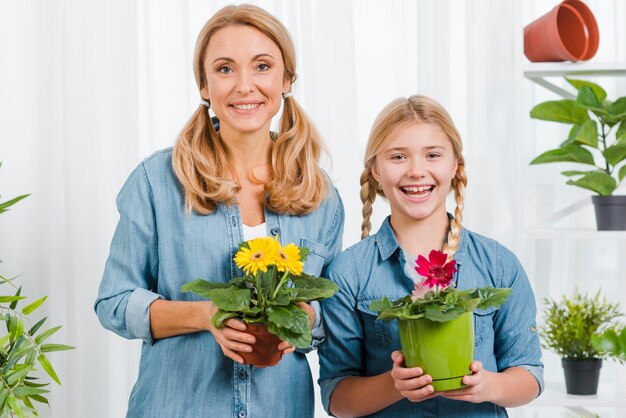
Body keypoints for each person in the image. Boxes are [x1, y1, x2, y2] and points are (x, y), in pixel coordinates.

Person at [95, 5, 344, 418]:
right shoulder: (157, 180)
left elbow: (331, 314)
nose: (245, 86)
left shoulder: (320, 194)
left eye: (262, 66)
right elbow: (114, 301)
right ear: (205, 85)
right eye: (225, 69)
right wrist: (204, 315)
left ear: (286, 80)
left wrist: (301, 322)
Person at [318, 95, 543, 417]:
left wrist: (487, 386)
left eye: (433, 155)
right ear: (375, 170)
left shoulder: (498, 264)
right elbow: (337, 398)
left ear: (455, 166)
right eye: (398, 157)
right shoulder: (347, 273)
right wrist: (394, 384)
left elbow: (529, 374)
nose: (416, 171)